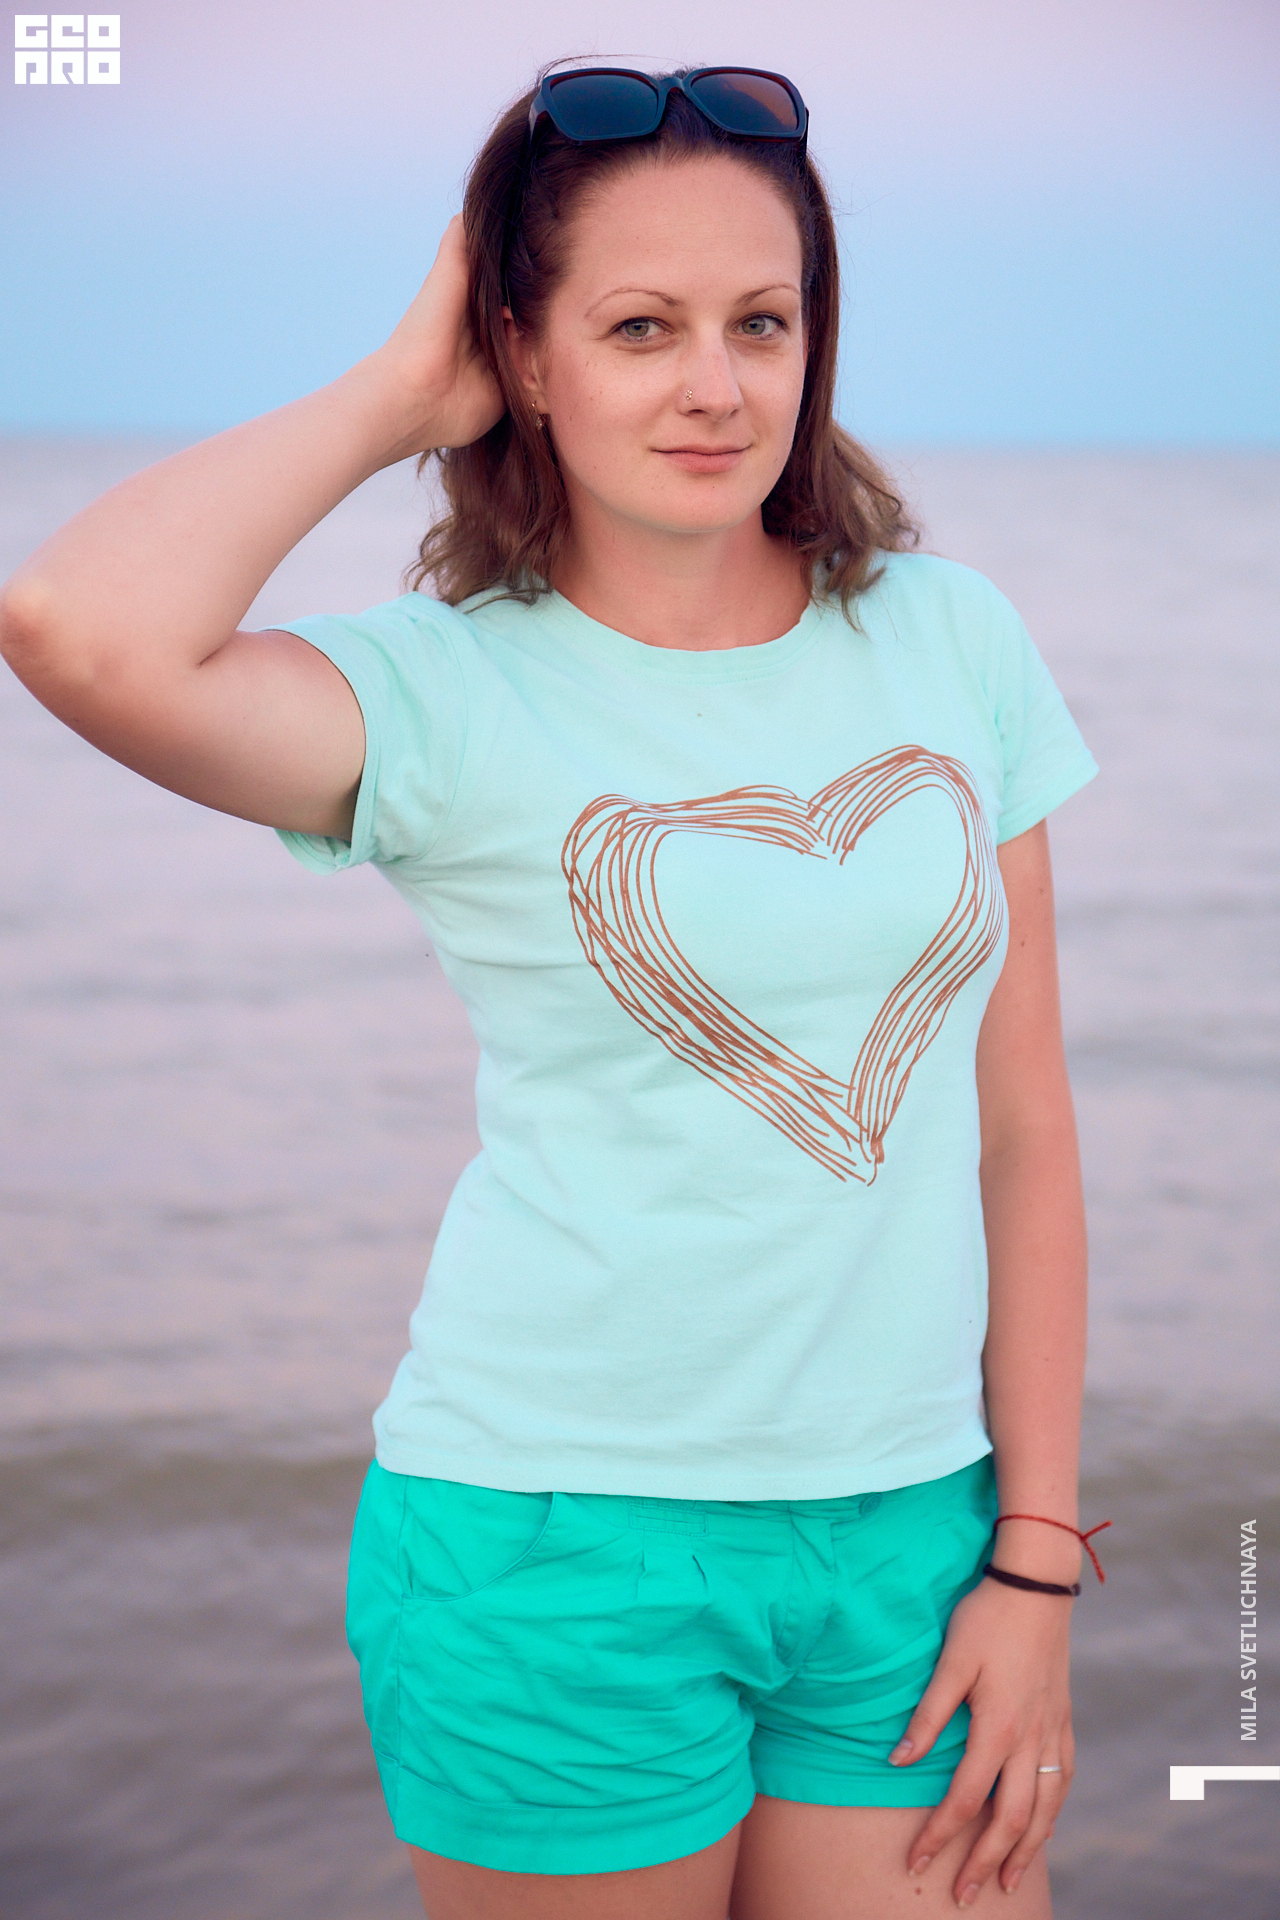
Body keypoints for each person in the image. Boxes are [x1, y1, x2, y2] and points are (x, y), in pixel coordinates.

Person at [0, 61, 1102, 1920]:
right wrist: (391, 397)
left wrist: (1037, 1556)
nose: (717, 386)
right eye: (640, 327)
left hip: (915, 1527)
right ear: (521, 353)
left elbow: (1023, 1128)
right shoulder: (440, 692)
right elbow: (72, 629)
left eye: (764, 322)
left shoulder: (952, 637)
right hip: (551, 1543)